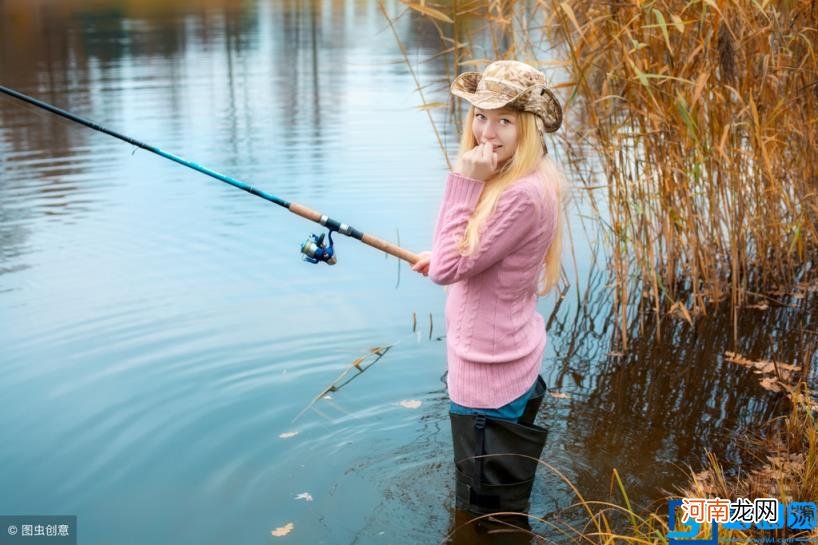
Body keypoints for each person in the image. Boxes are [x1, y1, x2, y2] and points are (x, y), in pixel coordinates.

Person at [411, 60, 565, 515]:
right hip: (509, 361)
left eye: (504, 120)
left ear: (529, 127)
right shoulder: (527, 180)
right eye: (480, 116)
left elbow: (448, 269)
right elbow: (470, 256)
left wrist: (464, 183)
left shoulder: (519, 193)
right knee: (498, 504)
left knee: (485, 515)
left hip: (488, 378)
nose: (487, 132)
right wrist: (443, 255)